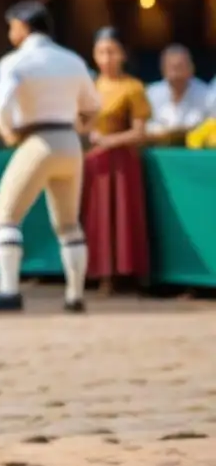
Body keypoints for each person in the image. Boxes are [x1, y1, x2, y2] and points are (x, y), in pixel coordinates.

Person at [0, 1, 100, 314]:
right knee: (69, 224)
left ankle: (9, 291)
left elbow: (1, 105)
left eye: (13, 25)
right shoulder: (72, 60)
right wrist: (78, 129)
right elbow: (93, 106)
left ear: (25, 26)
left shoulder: (15, 62)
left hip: (38, 140)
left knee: (5, 216)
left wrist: (9, 132)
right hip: (69, 141)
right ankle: (75, 295)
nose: (10, 31)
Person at [81, 27, 151, 292]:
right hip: (94, 163)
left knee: (121, 215)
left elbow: (140, 132)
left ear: (123, 54)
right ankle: (98, 271)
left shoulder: (132, 87)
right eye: (101, 52)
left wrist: (110, 140)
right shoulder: (89, 88)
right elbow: (81, 123)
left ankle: (126, 273)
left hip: (122, 163)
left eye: (112, 52)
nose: (106, 58)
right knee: (97, 216)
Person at [145, 44, 209, 143]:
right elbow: (145, 127)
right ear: (163, 69)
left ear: (191, 68)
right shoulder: (151, 93)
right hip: (159, 151)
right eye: (171, 67)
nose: (175, 72)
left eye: (180, 66)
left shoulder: (206, 95)